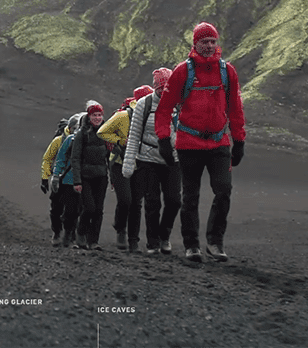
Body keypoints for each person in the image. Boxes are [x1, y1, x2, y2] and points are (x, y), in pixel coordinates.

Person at [154, 22, 246, 262]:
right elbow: (164, 109)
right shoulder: (183, 71)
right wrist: (164, 139)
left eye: (212, 41)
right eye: (204, 41)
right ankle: (191, 245)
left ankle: (215, 242)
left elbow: (236, 108)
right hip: (189, 144)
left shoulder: (228, 72)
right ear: (195, 44)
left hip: (219, 143)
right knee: (190, 196)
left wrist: (239, 141)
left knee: (223, 191)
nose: (208, 46)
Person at [123, 69, 182, 255]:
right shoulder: (144, 104)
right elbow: (134, 136)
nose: (165, 92)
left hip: (173, 159)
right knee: (152, 202)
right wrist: (129, 162)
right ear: (156, 87)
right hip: (147, 160)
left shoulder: (180, 104)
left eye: (168, 88)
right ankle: (153, 242)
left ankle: (164, 235)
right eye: (161, 88)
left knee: (174, 201)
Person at [98, 86, 152, 252]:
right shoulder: (122, 116)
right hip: (120, 163)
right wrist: (121, 141)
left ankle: (133, 240)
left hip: (141, 163)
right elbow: (102, 132)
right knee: (125, 200)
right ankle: (120, 228)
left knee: (136, 203)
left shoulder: (150, 117)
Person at [70, 101, 110, 250]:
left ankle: (93, 241)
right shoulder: (82, 133)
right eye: (94, 115)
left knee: (98, 210)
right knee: (90, 208)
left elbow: (109, 157)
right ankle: (81, 233)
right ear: (89, 116)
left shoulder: (106, 132)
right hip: (85, 177)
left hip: (101, 176)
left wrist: (111, 176)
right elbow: (75, 158)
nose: (97, 118)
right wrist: (77, 181)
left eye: (99, 115)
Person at [50, 113, 85, 247]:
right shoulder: (67, 140)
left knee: (73, 210)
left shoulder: (89, 141)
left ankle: (69, 235)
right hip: (63, 179)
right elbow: (58, 159)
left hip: (76, 181)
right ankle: (57, 232)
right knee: (56, 209)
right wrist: (55, 176)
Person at [40, 116, 71, 245]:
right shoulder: (59, 141)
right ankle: (57, 232)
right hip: (58, 178)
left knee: (71, 208)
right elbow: (48, 159)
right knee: (57, 207)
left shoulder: (79, 139)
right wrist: (45, 178)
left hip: (72, 178)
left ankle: (66, 233)